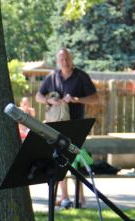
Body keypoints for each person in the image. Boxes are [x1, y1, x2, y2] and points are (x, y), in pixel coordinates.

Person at [36, 48, 99, 208]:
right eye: (61, 59)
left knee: (76, 160)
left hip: (76, 125)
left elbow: (95, 98)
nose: (64, 62)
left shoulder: (80, 76)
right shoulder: (52, 76)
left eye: (67, 59)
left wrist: (77, 99)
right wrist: (51, 101)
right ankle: (65, 198)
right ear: (58, 61)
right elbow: (38, 97)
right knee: (59, 160)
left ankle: (80, 198)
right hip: (57, 125)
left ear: (71, 59)